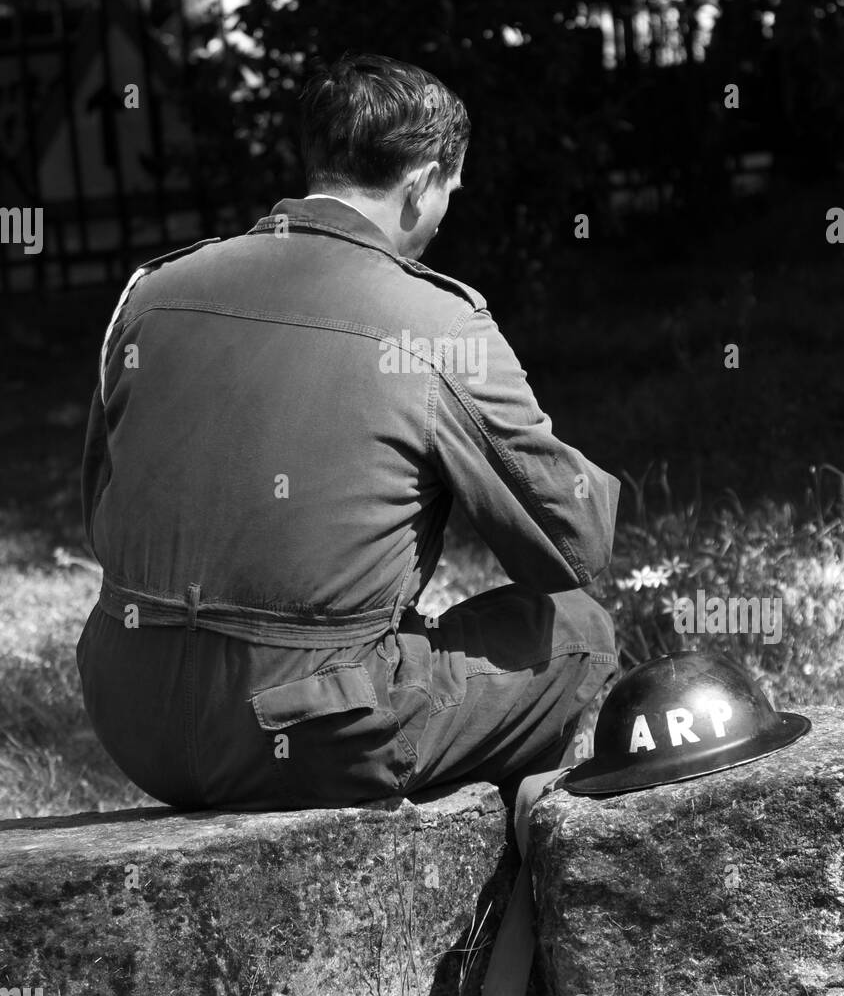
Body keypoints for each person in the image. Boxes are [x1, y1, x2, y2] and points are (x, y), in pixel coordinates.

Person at [77, 53, 620, 811]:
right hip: (306, 731)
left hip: (129, 713)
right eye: (450, 192)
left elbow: (103, 501)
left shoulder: (151, 292)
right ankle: (505, 886)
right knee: (581, 633)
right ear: (422, 182)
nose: (444, 212)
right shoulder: (436, 324)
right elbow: (573, 547)